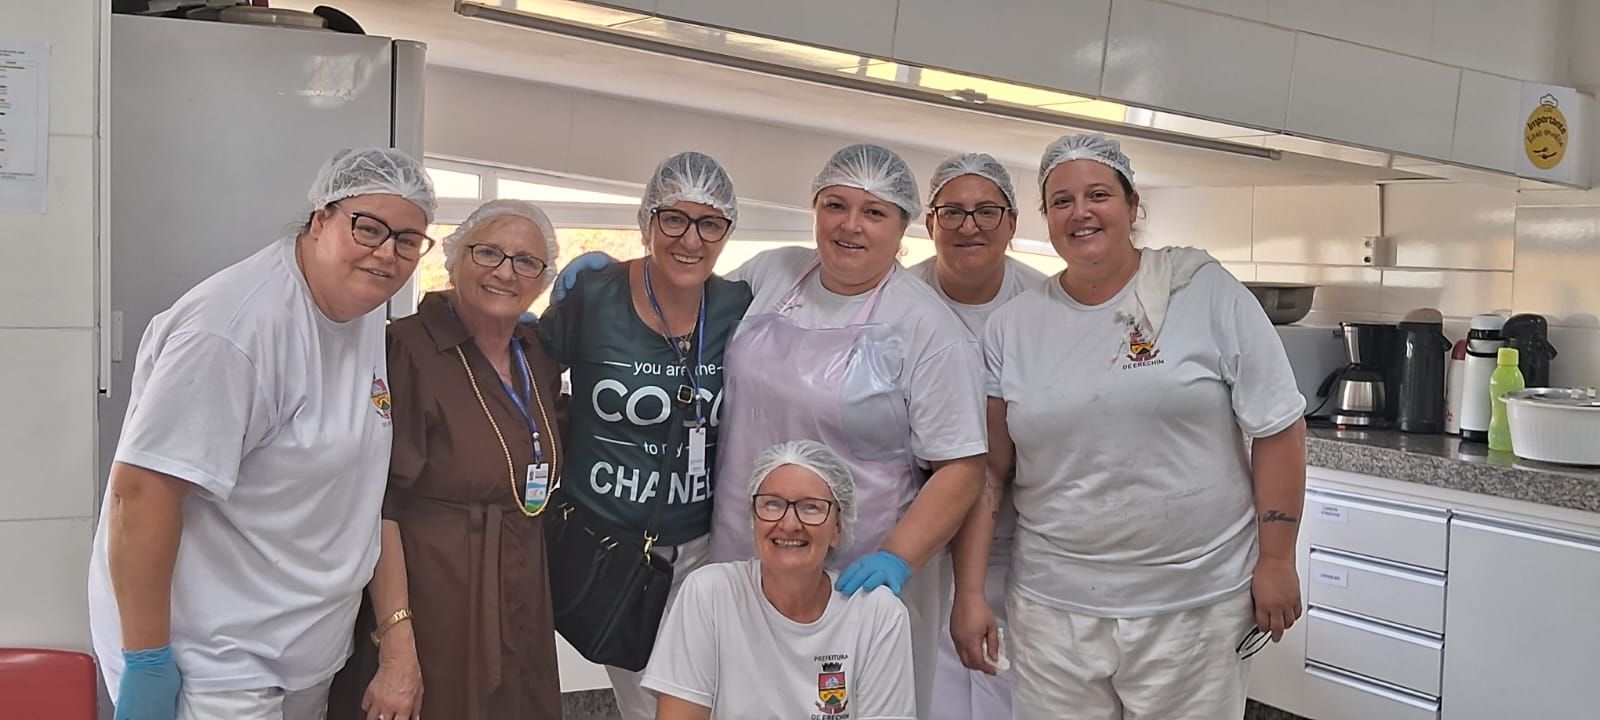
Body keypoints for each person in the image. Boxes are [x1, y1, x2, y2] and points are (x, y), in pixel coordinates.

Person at [965, 133, 1307, 719]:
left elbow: (1278, 427)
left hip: (1193, 605)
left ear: (1132, 205)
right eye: (1062, 201)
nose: (1081, 212)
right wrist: (970, 591)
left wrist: (1277, 558)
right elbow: (991, 471)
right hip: (1054, 610)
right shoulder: (1013, 327)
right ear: (1046, 217)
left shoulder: (1202, 292)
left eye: (1098, 194)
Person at [87, 148, 436, 720]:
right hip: (214, 662)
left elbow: (353, 485)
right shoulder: (233, 331)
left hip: (301, 649)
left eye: (407, 240)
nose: (385, 253)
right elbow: (141, 495)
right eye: (368, 227)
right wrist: (148, 661)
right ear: (321, 218)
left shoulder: (364, 310)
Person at [709, 143, 988, 718]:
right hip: (744, 556)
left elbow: (961, 467)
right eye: (835, 205)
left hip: (854, 579)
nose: (850, 225)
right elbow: (686, 308)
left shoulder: (928, 329)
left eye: (874, 212)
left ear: (903, 227)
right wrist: (614, 282)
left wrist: (896, 559)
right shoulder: (771, 274)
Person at [326, 200, 566, 720]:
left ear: (544, 279)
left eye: (527, 261)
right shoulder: (406, 349)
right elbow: (379, 505)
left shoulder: (535, 354)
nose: (506, 272)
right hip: (433, 601)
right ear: (454, 258)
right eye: (489, 253)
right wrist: (396, 646)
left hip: (519, 595)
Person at [536, 151, 754, 720]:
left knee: (711, 699)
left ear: (727, 230)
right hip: (612, 550)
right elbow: (529, 379)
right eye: (673, 218)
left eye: (710, 223)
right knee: (647, 704)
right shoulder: (594, 295)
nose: (691, 239)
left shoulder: (738, 307)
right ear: (647, 219)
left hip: (706, 551)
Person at [908, 152, 1045, 720]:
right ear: (929, 222)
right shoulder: (899, 300)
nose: (970, 226)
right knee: (925, 689)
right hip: (917, 534)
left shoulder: (1044, 306)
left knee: (1009, 690)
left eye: (987, 211)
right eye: (953, 212)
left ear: (1012, 224)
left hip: (1023, 539)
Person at [642, 440, 916, 720]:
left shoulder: (878, 615)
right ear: (754, 520)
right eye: (772, 504)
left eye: (811, 507)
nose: (789, 524)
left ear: (837, 528)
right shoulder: (710, 594)